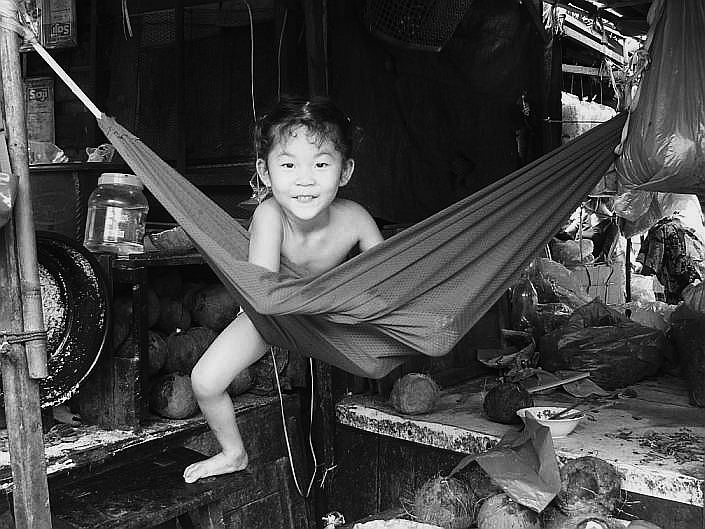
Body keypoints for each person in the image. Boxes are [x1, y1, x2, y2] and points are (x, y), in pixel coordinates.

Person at [183, 95, 384, 483]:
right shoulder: (270, 214)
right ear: (265, 172)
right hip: (269, 316)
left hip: (327, 317)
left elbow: (385, 276)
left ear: (345, 172)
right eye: (288, 165)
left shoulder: (356, 219)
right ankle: (233, 452)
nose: (304, 179)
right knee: (204, 382)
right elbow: (263, 290)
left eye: (321, 164)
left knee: (381, 356)